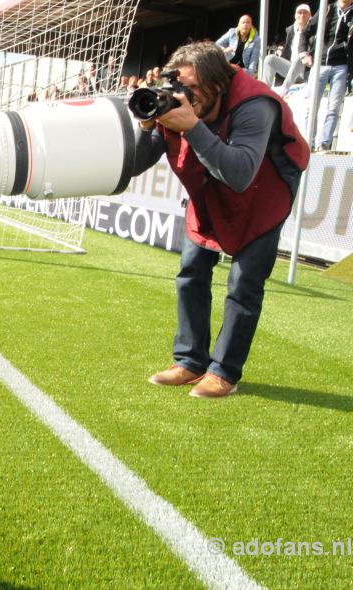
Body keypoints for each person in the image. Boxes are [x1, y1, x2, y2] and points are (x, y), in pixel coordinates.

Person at [134, 42, 309, 398]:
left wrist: (193, 127)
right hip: (209, 186)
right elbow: (139, 161)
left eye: (193, 88)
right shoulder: (177, 102)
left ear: (218, 84)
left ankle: (225, 372)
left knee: (244, 284)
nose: (183, 95)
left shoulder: (254, 105)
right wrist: (145, 124)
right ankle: (190, 360)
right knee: (191, 271)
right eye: (178, 85)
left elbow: (241, 173)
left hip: (264, 192)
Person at [297, 0, 353, 151]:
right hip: (320, 63)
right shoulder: (327, 9)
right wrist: (303, 55)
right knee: (311, 106)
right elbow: (306, 31)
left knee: (334, 107)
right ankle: (309, 142)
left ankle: (324, 144)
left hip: (341, 65)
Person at [263, 4, 312, 96]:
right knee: (269, 59)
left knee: (301, 55)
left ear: (310, 15)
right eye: (299, 13)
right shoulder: (290, 30)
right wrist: (281, 49)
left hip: (306, 69)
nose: (302, 15)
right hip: (291, 68)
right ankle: (265, 90)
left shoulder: (315, 29)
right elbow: (289, 46)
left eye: (305, 13)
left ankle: (284, 88)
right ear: (295, 16)